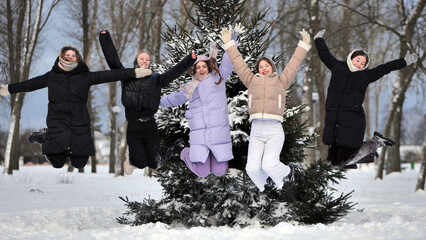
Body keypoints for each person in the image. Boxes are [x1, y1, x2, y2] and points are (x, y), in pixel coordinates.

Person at [0, 46, 152, 169]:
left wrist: (135, 72)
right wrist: (8, 89)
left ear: (78, 58)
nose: (70, 57)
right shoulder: (51, 76)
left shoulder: (85, 76)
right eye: (67, 55)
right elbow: (30, 84)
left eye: (73, 55)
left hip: (79, 123)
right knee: (58, 163)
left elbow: (110, 75)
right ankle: (45, 138)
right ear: (61, 56)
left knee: (80, 163)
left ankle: (57, 142)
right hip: (57, 121)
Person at [219, 25, 311, 192]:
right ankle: (267, 185)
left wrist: (303, 45)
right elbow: (239, 64)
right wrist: (229, 44)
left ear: (272, 68)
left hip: (274, 129)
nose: (264, 68)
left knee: (270, 164)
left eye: (266, 65)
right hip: (256, 130)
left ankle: (287, 173)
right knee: (252, 169)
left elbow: (293, 64)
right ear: (258, 70)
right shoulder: (251, 80)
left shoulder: (281, 81)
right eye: (260, 66)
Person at [313, 29, 418, 169]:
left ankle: (375, 143)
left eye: (363, 63)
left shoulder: (365, 76)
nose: (360, 64)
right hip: (334, 119)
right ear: (351, 57)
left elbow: (384, 68)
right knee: (333, 162)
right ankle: (370, 154)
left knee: (344, 160)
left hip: (352, 120)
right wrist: (318, 39)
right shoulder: (337, 67)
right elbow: (324, 54)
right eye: (358, 60)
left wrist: (403, 62)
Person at [98, 30, 196, 175]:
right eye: (141, 58)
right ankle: (131, 160)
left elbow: (174, 73)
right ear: (136, 61)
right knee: (141, 163)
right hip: (134, 125)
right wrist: (105, 38)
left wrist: (190, 60)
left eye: (147, 59)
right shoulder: (127, 75)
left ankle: (152, 158)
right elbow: (113, 62)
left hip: (150, 124)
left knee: (155, 163)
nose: (144, 61)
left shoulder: (156, 79)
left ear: (150, 63)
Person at [160, 40, 234, 178]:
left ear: (208, 66)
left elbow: (228, 62)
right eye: (197, 67)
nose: (201, 69)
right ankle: (182, 151)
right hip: (200, 135)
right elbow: (176, 98)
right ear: (193, 70)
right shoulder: (191, 87)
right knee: (202, 172)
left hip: (218, 133)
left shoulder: (219, 78)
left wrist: (232, 41)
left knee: (219, 171)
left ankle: (214, 159)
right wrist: (157, 102)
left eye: (203, 66)